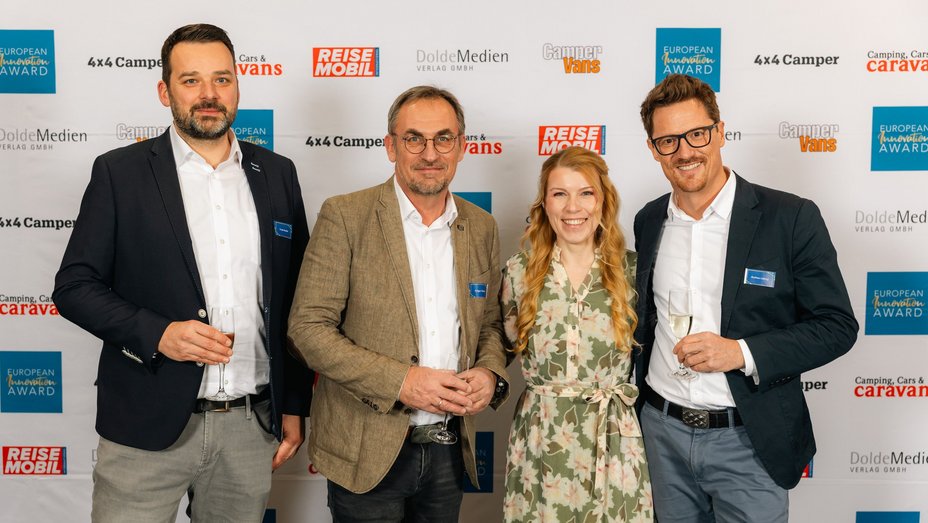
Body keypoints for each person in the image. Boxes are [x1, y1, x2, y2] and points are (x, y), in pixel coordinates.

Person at [53, 23, 312, 522]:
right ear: (164, 90)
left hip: (250, 425)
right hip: (145, 426)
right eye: (191, 80)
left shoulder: (278, 173)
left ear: (238, 86)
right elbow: (74, 287)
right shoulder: (120, 172)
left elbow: (297, 302)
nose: (209, 94)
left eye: (222, 79)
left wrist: (294, 404)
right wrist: (159, 334)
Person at [633, 74, 858, 522]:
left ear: (720, 132)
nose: (684, 151)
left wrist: (740, 353)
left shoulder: (790, 218)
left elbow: (837, 326)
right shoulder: (649, 219)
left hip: (748, 440)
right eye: (668, 141)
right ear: (653, 149)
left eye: (697, 134)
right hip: (660, 436)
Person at [287, 85, 510, 522]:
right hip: (365, 448)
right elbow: (307, 330)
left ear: (461, 147)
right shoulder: (345, 216)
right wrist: (400, 381)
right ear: (391, 146)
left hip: (448, 449)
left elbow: (488, 325)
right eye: (414, 139)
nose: (430, 154)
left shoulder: (481, 226)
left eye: (443, 139)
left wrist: (489, 372)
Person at [500, 146, 653, 522]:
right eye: (560, 194)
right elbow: (496, 348)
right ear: (544, 203)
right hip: (542, 440)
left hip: (614, 441)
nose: (573, 207)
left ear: (603, 201)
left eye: (586, 193)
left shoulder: (634, 271)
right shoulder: (518, 273)